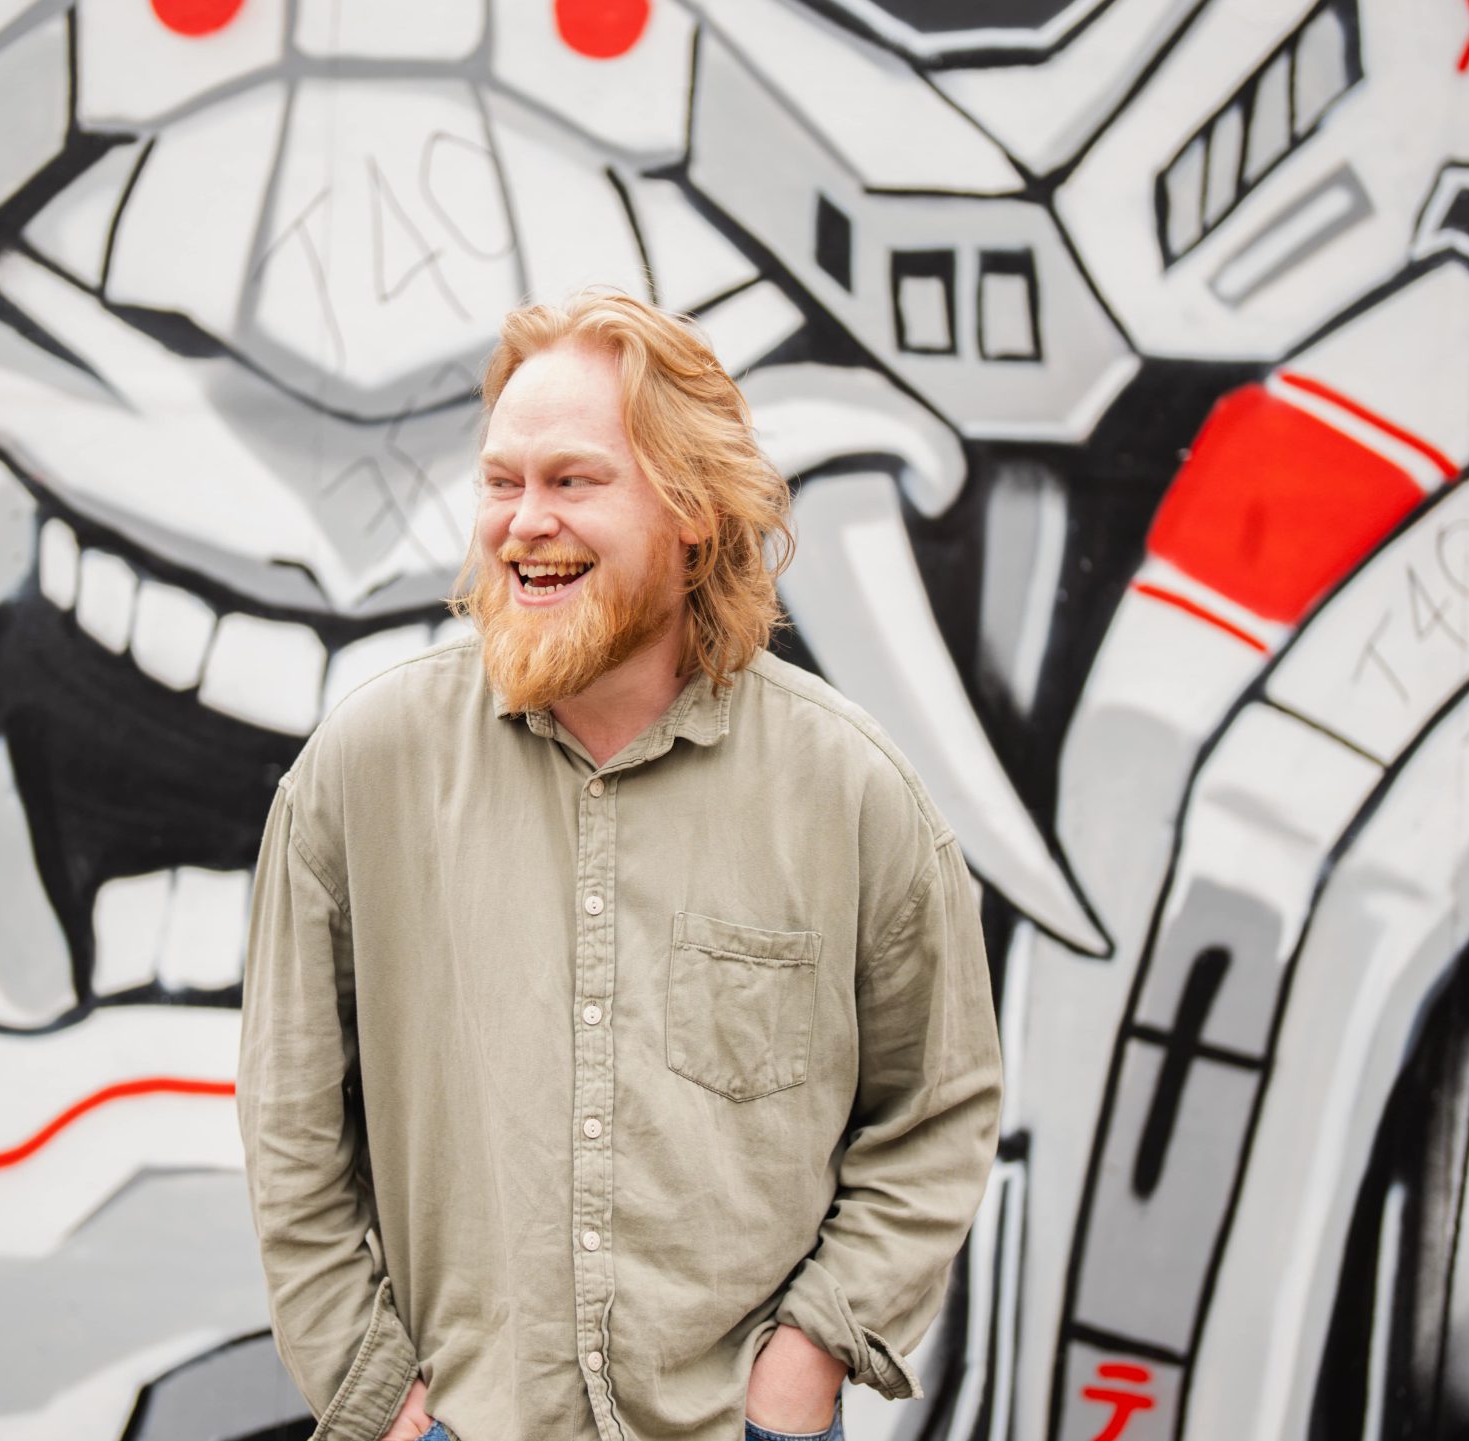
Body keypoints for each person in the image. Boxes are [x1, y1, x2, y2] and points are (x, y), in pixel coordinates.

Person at [237, 290, 1003, 1441]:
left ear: (690, 509)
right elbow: (292, 1126)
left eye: (573, 481)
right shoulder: (362, 774)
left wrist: (805, 1362)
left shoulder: (847, 791)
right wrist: (377, 1401)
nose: (522, 522)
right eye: (503, 482)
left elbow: (938, 1107)